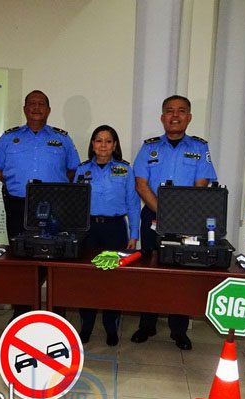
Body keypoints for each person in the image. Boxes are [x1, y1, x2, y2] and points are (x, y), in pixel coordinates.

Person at [132, 95, 217, 350]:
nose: (175, 115)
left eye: (181, 111)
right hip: (152, 217)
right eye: (169, 111)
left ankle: (178, 330)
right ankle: (146, 325)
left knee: (181, 275)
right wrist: (164, 212)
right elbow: (141, 184)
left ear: (189, 117)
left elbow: (202, 184)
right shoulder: (149, 147)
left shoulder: (200, 148)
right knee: (150, 272)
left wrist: (178, 215)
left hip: (186, 220)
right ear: (162, 117)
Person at [0, 90, 81, 319]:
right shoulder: (9, 138)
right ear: (24, 109)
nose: (36, 107)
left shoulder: (62, 138)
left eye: (41, 104)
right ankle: (21, 310)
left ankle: (56, 310)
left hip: (55, 207)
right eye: (32, 103)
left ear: (48, 110)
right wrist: (14, 183)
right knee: (20, 257)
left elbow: (73, 170)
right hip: (18, 206)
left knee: (56, 255)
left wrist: (55, 190)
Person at [75, 125, 140, 346]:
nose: (103, 145)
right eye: (99, 140)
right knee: (87, 280)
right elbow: (75, 203)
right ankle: (86, 325)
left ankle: (111, 326)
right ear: (92, 144)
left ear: (114, 145)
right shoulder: (82, 170)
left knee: (113, 280)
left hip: (115, 229)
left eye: (108, 141)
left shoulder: (125, 170)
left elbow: (133, 203)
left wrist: (134, 233)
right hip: (88, 230)